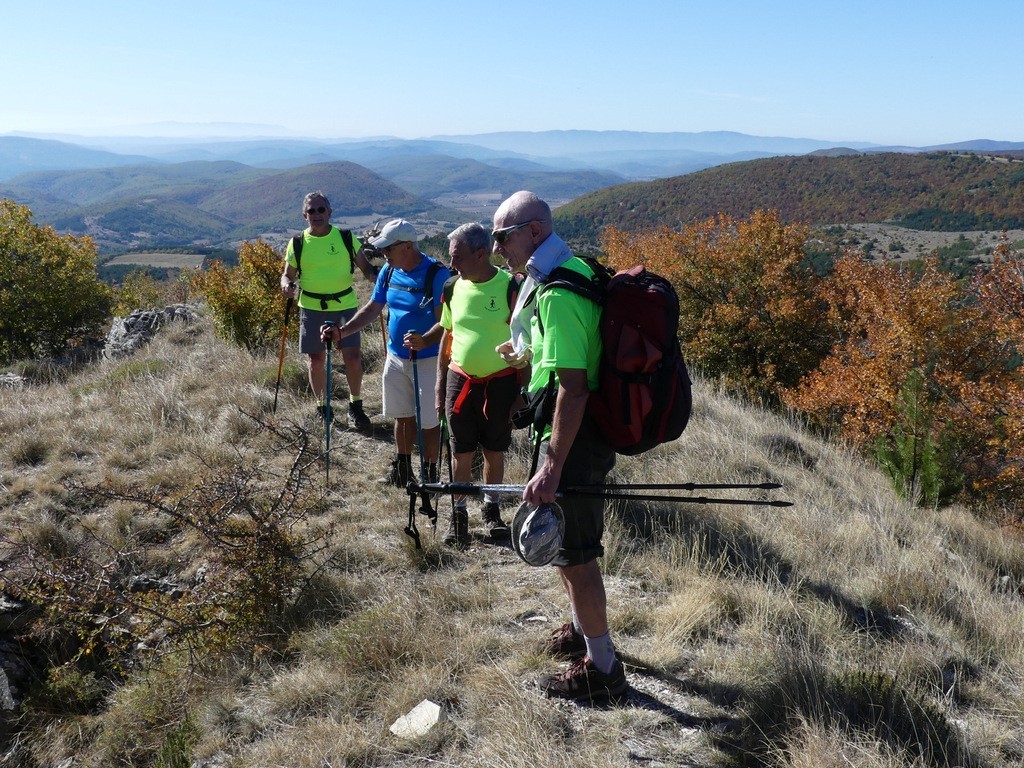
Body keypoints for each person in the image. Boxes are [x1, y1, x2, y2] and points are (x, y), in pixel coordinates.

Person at [492, 191, 627, 702]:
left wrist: (551, 464)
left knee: (576, 556)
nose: (498, 246)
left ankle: (603, 666)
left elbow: (575, 385)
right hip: (569, 435)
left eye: (503, 236)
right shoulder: (566, 272)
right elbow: (560, 361)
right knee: (569, 545)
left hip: (574, 439)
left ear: (532, 231)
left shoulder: (558, 293)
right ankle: (581, 630)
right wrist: (525, 356)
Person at [321, 219, 451, 486]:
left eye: (387, 249)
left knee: (428, 422)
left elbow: (447, 322)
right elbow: (372, 307)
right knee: (401, 415)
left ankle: (430, 474)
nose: (383, 255)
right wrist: (343, 332)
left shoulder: (437, 275)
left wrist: (425, 341)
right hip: (396, 358)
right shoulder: (389, 272)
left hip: (427, 360)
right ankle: (403, 470)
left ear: (406, 246)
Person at [435, 223, 521, 547]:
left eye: (457, 257)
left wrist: (522, 393)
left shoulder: (510, 287)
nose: (452, 264)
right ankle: (458, 520)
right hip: (460, 382)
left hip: (500, 384)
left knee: (494, 450)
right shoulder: (452, 287)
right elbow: (447, 335)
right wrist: (439, 387)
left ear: (481, 254)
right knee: (460, 451)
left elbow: (526, 343)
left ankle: (491, 510)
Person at [280, 191, 378, 430]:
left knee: (352, 358)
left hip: (345, 305)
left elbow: (366, 268)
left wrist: (380, 279)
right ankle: (323, 407)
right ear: (305, 215)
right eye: (311, 211)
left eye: (321, 209)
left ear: (329, 212)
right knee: (316, 360)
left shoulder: (345, 237)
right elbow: (287, 274)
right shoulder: (298, 243)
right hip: (312, 307)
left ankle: (355, 406)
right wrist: (286, 285)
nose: (317, 214)